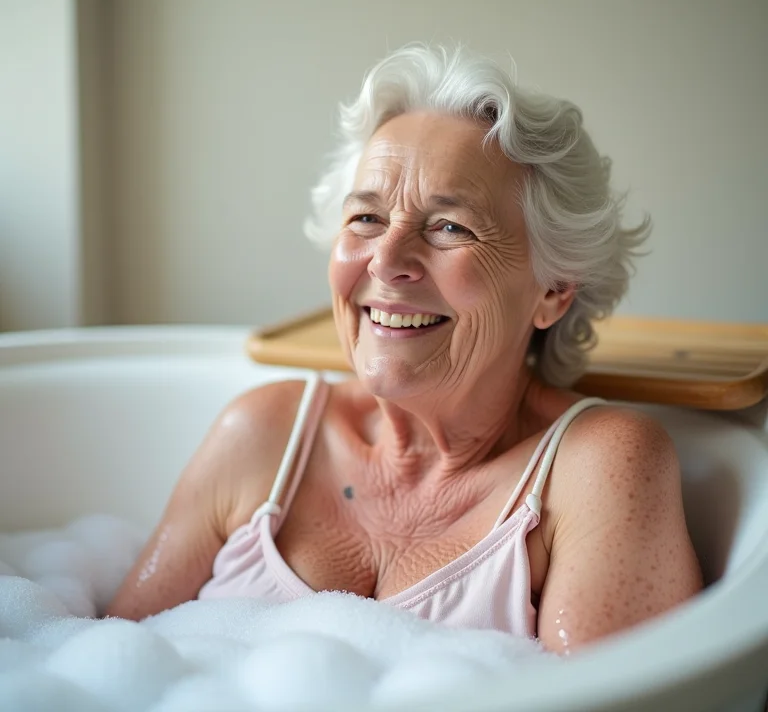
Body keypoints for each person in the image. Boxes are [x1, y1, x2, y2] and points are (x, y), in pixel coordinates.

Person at [106, 45, 702, 653]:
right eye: (365, 218)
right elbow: (100, 661)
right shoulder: (262, 434)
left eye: (449, 227)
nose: (386, 261)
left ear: (553, 290)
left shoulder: (598, 467)